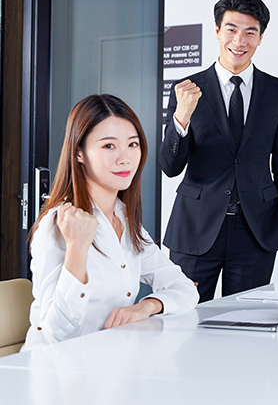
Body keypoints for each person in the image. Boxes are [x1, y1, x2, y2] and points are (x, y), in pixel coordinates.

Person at [24, 94, 198, 351]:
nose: (124, 158)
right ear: (79, 153)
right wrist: (77, 249)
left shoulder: (125, 219)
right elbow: (57, 335)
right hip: (57, 367)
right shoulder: (58, 225)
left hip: (110, 359)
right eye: (108, 146)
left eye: (132, 144)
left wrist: (146, 306)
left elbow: (184, 288)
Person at [160, 0, 278, 302]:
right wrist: (182, 117)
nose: (239, 40)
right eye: (231, 29)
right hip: (195, 228)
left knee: (245, 321)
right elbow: (170, 167)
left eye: (250, 32)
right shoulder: (186, 89)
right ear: (217, 31)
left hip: (256, 231)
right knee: (186, 317)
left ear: (260, 38)